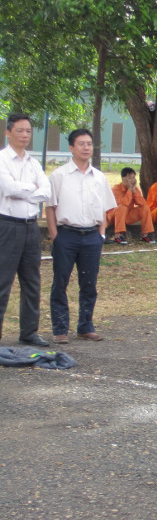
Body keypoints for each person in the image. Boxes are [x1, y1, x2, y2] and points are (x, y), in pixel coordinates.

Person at [46, 129, 117, 343]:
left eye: (89, 144)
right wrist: (54, 236)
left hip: (92, 236)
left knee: (89, 284)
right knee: (61, 282)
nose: (86, 148)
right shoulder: (59, 176)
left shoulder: (100, 177)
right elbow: (50, 207)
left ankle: (86, 326)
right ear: (71, 148)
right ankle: (60, 329)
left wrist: (101, 235)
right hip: (66, 235)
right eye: (81, 144)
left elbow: (106, 208)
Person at [0, 112, 51, 347]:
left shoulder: (33, 163)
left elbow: (46, 191)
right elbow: (9, 188)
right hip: (8, 225)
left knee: (32, 281)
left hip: (31, 226)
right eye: (19, 130)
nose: (24, 135)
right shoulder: (2, 160)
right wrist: (32, 190)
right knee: (3, 281)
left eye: (28, 131)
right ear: (8, 132)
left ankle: (29, 331)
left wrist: (26, 190)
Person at [107, 167, 156, 245]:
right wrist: (130, 190)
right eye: (129, 178)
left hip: (128, 216)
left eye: (133, 178)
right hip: (114, 216)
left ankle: (145, 235)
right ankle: (118, 235)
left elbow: (142, 203)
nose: (132, 180)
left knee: (145, 208)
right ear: (123, 178)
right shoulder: (116, 189)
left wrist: (134, 191)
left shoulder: (134, 188)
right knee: (122, 207)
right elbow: (123, 204)